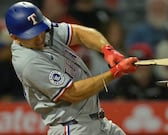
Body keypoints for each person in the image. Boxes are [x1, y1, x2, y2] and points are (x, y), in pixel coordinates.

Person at [5, 2, 138, 135]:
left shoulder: (44, 31)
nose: (39, 37)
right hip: (72, 127)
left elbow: (79, 33)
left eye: (40, 30)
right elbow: (72, 93)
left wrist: (107, 50)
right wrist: (114, 72)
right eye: (32, 34)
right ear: (14, 37)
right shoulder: (28, 62)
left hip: (96, 121)